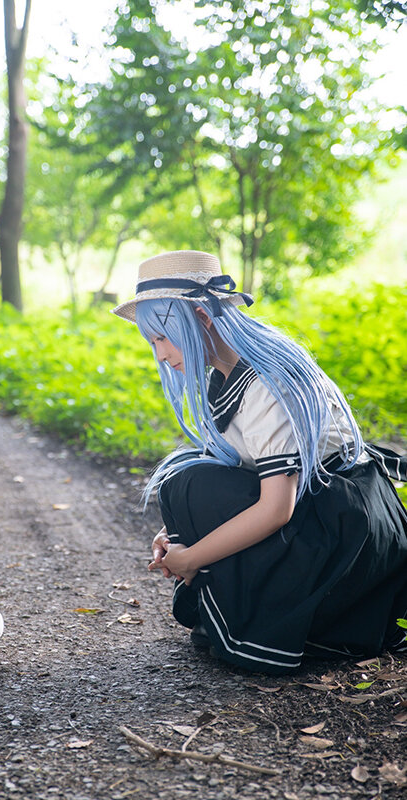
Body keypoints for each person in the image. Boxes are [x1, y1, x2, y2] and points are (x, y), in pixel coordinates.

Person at [112, 250, 407, 675]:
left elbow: (276, 508)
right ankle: (241, 612)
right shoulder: (227, 370)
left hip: (344, 532)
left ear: (202, 318)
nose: (159, 354)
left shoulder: (267, 381)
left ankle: (275, 618)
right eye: (152, 341)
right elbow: (237, 466)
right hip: (319, 508)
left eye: (163, 337)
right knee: (189, 478)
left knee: (189, 484)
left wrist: (192, 556)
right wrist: (172, 529)